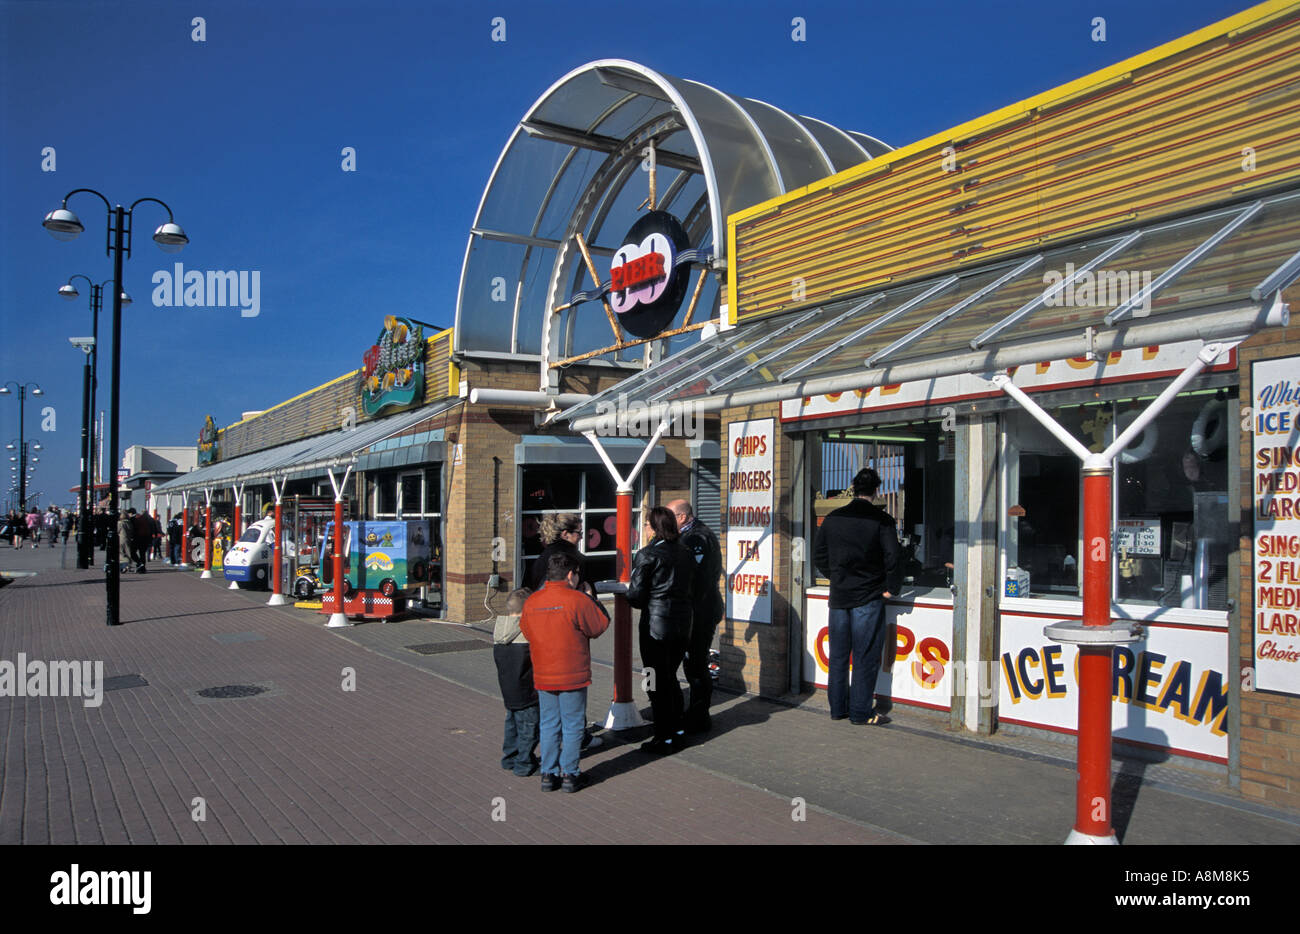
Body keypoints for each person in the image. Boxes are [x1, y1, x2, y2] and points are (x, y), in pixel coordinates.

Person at [812, 467, 901, 726]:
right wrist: (890, 588)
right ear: (876, 490)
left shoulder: (833, 518)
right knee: (865, 656)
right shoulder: (882, 520)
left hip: (839, 596)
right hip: (868, 595)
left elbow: (819, 556)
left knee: (838, 656)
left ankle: (838, 709)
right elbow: (893, 558)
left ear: (854, 487)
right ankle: (861, 713)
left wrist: (837, 577)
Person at [520, 551, 609, 793]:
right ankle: (570, 773)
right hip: (572, 672)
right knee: (572, 725)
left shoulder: (532, 601)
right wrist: (592, 599)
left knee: (549, 724)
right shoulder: (577, 600)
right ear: (571, 575)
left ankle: (548, 773)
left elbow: (527, 632)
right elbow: (599, 625)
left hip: (544, 671)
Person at [627, 505, 695, 754]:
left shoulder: (647, 555)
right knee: (671, 679)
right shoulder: (686, 552)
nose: (643, 528)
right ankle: (676, 731)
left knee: (655, 682)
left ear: (654, 527)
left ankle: (663, 735)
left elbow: (635, 596)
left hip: (656, 627)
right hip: (682, 625)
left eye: (646, 524)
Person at [668, 499, 724, 735]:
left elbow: (697, 577)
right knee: (691, 663)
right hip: (696, 609)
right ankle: (693, 713)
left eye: (671, 517)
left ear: (682, 517)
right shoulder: (691, 535)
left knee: (696, 664)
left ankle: (699, 716)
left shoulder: (697, 537)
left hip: (700, 611)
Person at [494, 587, 539, 777]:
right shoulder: (526, 633)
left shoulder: (499, 630)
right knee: (530, 728)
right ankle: (524, 763)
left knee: (511, 724)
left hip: (508, 690)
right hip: (527, 691)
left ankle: (509, 758)